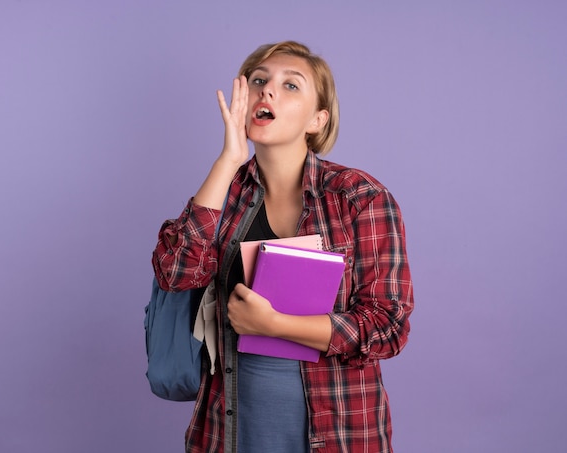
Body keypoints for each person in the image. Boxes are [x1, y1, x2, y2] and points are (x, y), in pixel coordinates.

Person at [152, 41, 414, 453]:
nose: (267, 91)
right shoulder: (226, 192)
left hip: (339, 432)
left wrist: (275, 326)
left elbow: (387, 325)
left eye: (290, 85)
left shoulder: (358, 196)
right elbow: (176, 273)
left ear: (317, 119)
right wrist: (227, 161)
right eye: (259, 80)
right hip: (231, 431)